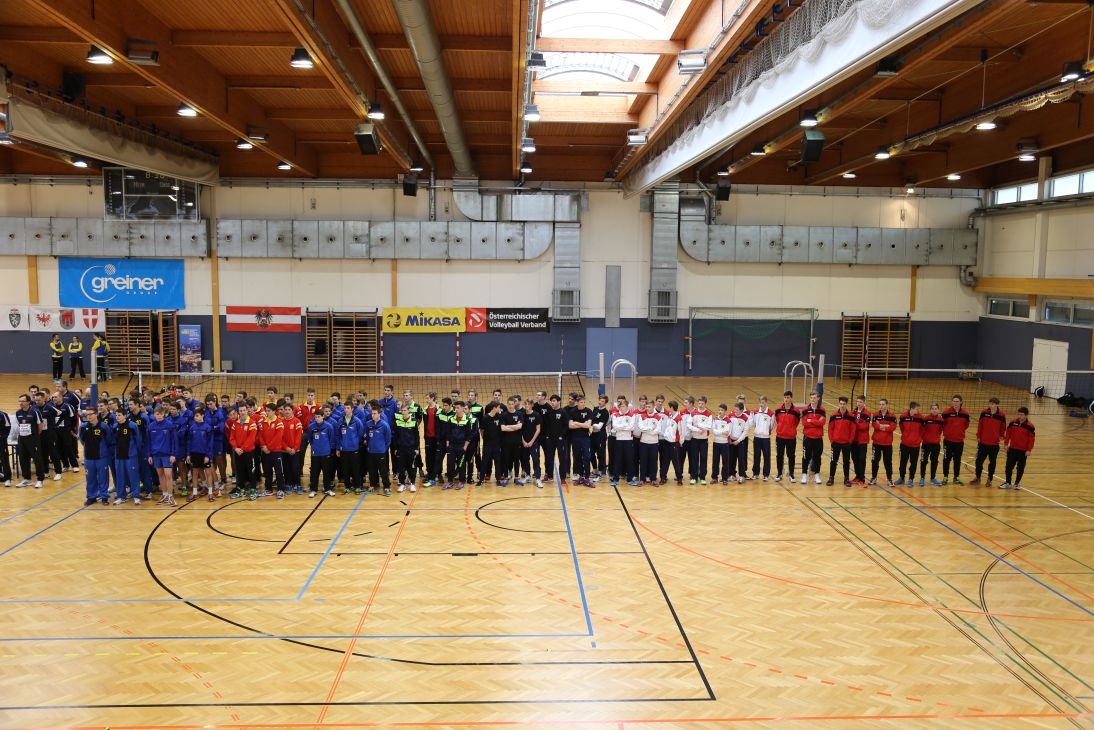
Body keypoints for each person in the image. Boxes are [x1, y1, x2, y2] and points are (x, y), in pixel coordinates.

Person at [80, 409, 114, 506]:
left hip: (101, 457)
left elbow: (109, 440)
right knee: (90, 478)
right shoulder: (83, 427)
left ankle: (104, 497)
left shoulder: (104, 426)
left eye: (91, 414)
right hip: (88, 458)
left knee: (103, 477)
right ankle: (91, 497)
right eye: (87, 415)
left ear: (96, 414)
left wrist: (103, 450)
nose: (89, 416)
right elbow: (82, 440)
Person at [970, 397, 1006, 487]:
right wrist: (978, 436)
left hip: (994, 444)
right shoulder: (984, 412)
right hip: (983, 442)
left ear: (997, 404)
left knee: (992, 462)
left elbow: (1003, 427)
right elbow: (980, 424)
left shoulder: (1001, 415)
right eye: (990, 404)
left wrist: (1001, 435)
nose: (991, 405)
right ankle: (978, 477)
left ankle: (990, 479)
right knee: (979, 461)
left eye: (993, 404)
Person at [147, 406, 178, 506]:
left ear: (164, 414)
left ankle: (170, 496)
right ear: (154, 415)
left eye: (160, 414)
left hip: (167, 454)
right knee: (160, 475)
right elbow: (149, 442)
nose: (159, 416)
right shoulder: (151, 426)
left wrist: (173, 454)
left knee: (168, 475)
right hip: (156, 454)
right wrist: (149, 455)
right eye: (157, 414)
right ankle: (164, 495)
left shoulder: (169, 425)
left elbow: (174, 441)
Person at [14, 394, 46, 488]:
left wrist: (35, 436)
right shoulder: (18, 412)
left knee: (37, 459)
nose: (21, 403)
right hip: (22, 439)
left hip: (33, 439)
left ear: (28, 402)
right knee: (23, 459)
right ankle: (27, 479)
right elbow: (19, 425)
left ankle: (40, 479)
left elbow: (40, 426)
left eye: (23, 401)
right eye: (20, 401)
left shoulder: (35, 411)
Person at [228, 404, 260, 500]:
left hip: (248, 452)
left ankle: (253, 489)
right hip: (238, 452)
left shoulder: (252, 423)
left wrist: (242, 448)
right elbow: (232, 438)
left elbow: (251, 439)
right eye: (240, 411)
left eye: (244, 410)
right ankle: (241, 489)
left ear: (247, 411)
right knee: (239, 471)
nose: (242, 412)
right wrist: (235, 448)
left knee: (251, 471)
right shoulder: (235, 424)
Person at [112, 410, 143, 504]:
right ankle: (121, 497)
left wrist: (136, 451)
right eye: (116, 415)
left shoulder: (132, 425)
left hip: (131, 455)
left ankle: (136, 496)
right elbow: (113, 441)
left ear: (125, 416)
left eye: (119, 415)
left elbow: (138, 439)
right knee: (120, 476)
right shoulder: (115, 426)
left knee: (133, 476)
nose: (117, 417)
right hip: (119, 455)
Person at [185, 408, 216, 502]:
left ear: (203, 415)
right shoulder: (192, 427)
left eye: (197, 416)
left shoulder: (207, 427)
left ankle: (210, 493)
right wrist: (188, 454)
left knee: (208, 474)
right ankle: (194, 493)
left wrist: (208, 456)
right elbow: (189, 442)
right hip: (194, 454)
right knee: (194, 474)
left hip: (204, 454)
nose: (195, 417)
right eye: (195, 416)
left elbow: (210, 443)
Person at [1001, 406, 1035, 490]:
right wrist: (1006, 444)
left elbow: (1031, 439)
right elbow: (1008, 434)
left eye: (1022, 415)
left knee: (1020, 468)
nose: (1020, 416)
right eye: (1019, 414)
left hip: (1023, 451)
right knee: (1008, 467)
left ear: (1026, 415)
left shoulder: (1030, 426)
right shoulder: (1013, 423)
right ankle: (1008, 483)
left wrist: (1029, 450)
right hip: (1012, 449)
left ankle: (1017, 483)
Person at [335, 404, 365, 495]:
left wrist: (355, 442)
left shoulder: (357, 421)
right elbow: (338, 435)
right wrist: (338, 448)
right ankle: (347, 487)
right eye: (345, 408)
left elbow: (361, 434)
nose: (346, 409)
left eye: (348, 408)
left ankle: (357, 486)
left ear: (352, 409)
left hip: (354, 449)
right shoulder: (340, 421)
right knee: (346, 469)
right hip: (344, 449)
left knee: (356, 469)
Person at [940, 395, 971, 485]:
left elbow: (966, 425)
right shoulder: (946, 412)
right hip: (948, 441)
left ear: (961, 402)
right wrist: (948, 431)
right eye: (954, 401)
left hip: (959, 441)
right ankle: (945, 477)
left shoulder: (965, 413)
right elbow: (942, 424)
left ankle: (956, 477)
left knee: (957, 460)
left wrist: (959, 432)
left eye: (957, 401)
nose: (955, 403)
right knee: (946, 459)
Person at [443, 401, 473, 490]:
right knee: (450, 464)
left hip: (461, 446)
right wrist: (448, 444)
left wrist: (465, 447)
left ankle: (461, 481)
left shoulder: (467, 420)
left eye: (458, 408)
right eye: (455, 408)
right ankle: (450, 481)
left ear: (463, 408)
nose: (455, 409)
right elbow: (448, 432)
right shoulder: (451, 419)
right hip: (452, 446)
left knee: (461, 464)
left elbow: (469, 436)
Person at [827, 396, 855, 486]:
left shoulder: (851, 416)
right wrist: (832, 440)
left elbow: (853, 430)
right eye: (841, 404)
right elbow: (830, 429)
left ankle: (846, 479)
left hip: (846, 443)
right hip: (835, 443)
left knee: (846, 462)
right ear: (839, 404)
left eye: (844, 404)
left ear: (846, 404)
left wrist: (850, 441)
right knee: (833, 461)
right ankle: (831, 478)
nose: (842, 405)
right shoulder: (833, 415)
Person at [366, 404, 393, 496]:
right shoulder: (368, 424)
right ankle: (373, 485)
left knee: (383, 470)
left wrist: (383, 449)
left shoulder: (385, 425)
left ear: (379, 414)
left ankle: (386, 486)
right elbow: (367, 437)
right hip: (371, 451)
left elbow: (388, 439)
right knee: (372, 470)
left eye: (374, 413)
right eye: (372, 413)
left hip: (381, 452)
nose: (372, 415)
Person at [895, 402, 924, 486]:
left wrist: (918, 438)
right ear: (911, 409)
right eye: (917, 409)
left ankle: (911, 479)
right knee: (903, 462)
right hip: (905, 444)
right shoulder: (903, 416)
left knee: (913, 463)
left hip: (915, 445)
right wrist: (906, 436)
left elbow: (923, 429)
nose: (918, 411)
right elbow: (902, 427)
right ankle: (901, 478)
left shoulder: (921, 418)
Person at [800, 392, 826, 484]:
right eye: (811, 398)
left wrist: (810, 420)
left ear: (818, 398)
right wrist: (816, 421)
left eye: (814, 398)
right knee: (805, 457)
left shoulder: (822, 410)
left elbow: (822, 423)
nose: (813, 400)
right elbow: (804, 423)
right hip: (808, 437)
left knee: (817, 457)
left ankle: (817, 474)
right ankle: (804, 474)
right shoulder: (805, 409)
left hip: (818, 438)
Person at [773, 391, 800, 483]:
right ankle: (779, 473)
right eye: (785, 397)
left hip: (791, 438)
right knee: (779, 455)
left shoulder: (796, 410)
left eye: (788, 397)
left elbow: (796, 422)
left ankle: (791, 474)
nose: (786, 399)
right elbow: (777, 420)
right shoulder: (778, 409)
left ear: (791, 398)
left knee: (791, 456)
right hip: (780, 437)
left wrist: (790, 430)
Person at [393, 404, 420, 493]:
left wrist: (417, 448)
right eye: (402, 410)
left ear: (408, 411)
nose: (403, 412)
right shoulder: (397, 422)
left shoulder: (414, 422)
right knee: (401, 467)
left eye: (405, 410)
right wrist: (396, 448)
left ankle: (412, 483)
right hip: (401, 449)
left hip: (411, 449)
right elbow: (395, 436)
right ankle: (402, 484)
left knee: (412, 467)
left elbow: (417, 436)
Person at [869, 398, 896, 486]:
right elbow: (874, 425)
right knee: (874, 461)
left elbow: (893, 427)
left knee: (888, 462)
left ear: (887, 405)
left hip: (887, 443)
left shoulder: (892, 416)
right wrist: (886, 426)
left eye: (883, 404)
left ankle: (889, 479)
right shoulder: (876, 415)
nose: (881, 406)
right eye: (880, 404)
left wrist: (881, 425)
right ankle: (874, 478)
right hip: (876, 443)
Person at [610, 399, 636, 487]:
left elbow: (631, 427)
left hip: (628, 440)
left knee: (629, 460)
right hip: (619, 440)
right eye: (620, 406)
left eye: (623, 406)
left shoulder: (632, 414)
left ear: (627, 406)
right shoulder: (615, 415)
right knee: (617, 460)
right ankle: (615, 479)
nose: (622, 408)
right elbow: (615, 427)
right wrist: (625, 426)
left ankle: (630, 479)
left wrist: (620, 427)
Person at [569, 396, 594, 487]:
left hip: (585, 438)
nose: (583, 404)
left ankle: (587, 478)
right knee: (577, 457)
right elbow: (570, 426)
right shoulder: (572, 411)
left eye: (584, 402)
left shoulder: (588, 411)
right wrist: (583, 424)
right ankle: (581, 477)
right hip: (575, 438)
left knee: (587, 457)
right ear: (577, 403)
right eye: (581, 402)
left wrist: (577, 423)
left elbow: (588, 426)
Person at [686, 397, 712, 485]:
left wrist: (699, 426)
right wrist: (697, 430)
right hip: (694, 439)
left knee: (703, 458)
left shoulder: (708, 414)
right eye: (699, 403)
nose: (700, 405)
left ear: (705, 404)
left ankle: (703, 477)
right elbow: (688, 425)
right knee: (694, 458)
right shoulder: (693, 413)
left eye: (702, 404)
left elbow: (709, 426)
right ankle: (694, 477)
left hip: (704, 440)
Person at [658, 400, 684, 485]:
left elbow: (681, 432)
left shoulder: (678, 418)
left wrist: (680, 442)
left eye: (669, 407)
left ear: (672, 408)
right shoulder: (670, 416)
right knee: (665, 461)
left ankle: (679, 478)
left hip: (674, 444)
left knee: (676, 462)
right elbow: (667, 428)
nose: (668, 408)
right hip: (666, 442)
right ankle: (663, 478)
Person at [519, 399, 543, 488]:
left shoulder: (536, 415)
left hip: (534, 443)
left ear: (532, 405)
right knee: (525, 459)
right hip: (524, 443)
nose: (527, 406)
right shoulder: (522, 415)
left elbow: (538, 429)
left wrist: (532, 441)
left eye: (528, 404)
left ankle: (538, 478)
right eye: (525, 404)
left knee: (536, 460)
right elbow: (519, 429)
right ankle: (528, 476)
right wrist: (523, 441)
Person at [919, 403, 944, 486]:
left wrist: (936, 438)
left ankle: (933, 478)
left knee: (934, 461)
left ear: (938, 410)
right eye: (933, 408)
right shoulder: (925, 419)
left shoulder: (941, 420)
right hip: (926, 444)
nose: (934, 410)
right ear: (930, 410)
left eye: (936, 408)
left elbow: (940, 431)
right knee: (923, 461)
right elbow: (922, 430)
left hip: (936, 445)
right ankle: (922, 478)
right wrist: (925, 438)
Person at [750, 396, 774, 481]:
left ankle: (766, 474)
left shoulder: (771, 413)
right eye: (760, 403)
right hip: (757, 438)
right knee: (756, 456)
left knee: (766, 456)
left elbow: (771, 426)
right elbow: (754, 424)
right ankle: (755, 473)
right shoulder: (755, 412)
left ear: (766, 403)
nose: (761, 404)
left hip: (766, 439)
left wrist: (765, 432)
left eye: (763, 403)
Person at [849, 395, 871, 486]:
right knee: (854, 458)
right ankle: (857, 476)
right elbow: (850, 425)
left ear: (864, 403)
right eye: (857, 401)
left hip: (862, 440)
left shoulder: (867, 413)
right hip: (853, 439)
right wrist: (856, 423)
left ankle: (862, 479)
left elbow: (864, 426)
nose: (858, 403)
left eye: (861, 402)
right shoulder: (852, 412)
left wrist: (855, 424)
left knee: (862, 459)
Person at [728, 402, 750, 484]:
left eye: (737, 410)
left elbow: (745, 431)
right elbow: (728, 427)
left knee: (741, 459)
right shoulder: (730, 416)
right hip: (731, 441)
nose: (735, 411)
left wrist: (738, 441)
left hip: (740, 442)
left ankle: (741, 476)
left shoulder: (745, 418)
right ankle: (732, 474)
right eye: (735, 409)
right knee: (731, 458)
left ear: (741, 410)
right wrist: (729, 438)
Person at [591, 395, 610, 481]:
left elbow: (599, 427)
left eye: (602, 401)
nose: (600, 402)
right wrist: (593, 422)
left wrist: (592, 423)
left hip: (601, 435)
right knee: (591, 453)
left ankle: (600, 473)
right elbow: (592, 419)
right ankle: (594, 470)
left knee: (600, 455)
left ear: (605, 403)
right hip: (593, 434)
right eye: (600, 400)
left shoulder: (605, 412)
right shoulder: (595, 409)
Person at [710, 405, 731, 484]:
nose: (720, 411)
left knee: (725, 462)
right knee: (715, 461)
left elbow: (728, 432)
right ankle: (714, 477)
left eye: (721, 410)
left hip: (724, 444)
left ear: (725, 411)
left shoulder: (728, 420)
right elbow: (714, 431)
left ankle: (725, 478)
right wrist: (722, 432)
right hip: (716, 443)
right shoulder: (715, 419)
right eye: (719, 410)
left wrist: (719, 432)